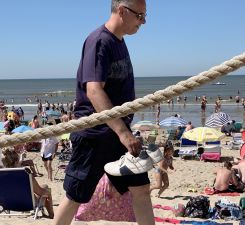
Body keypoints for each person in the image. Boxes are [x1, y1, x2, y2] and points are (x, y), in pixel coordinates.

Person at [53, 1, 153, 225]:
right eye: (140, 15)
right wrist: (123, 133)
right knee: (75, 196)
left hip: (119, 134)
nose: (143, 21)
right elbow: (94, 90)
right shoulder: (100, 41)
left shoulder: (120, 41)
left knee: (142, 189)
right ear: (121, 11)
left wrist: (124, 132)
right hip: (95, 136)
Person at [1, 148, 54, 218]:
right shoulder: (25, 175)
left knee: (44, 186)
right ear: (17, 161)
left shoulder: (1, 175)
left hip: (8, 204)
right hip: (27, 204)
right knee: (47, 190)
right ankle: (51, 215)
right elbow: (40, 192)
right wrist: (47, 191)